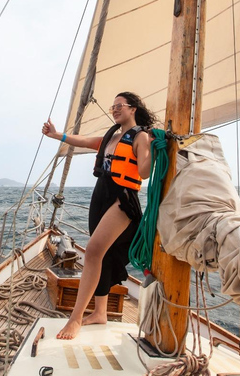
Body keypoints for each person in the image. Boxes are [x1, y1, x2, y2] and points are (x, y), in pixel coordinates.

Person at [42, 92, 157, 339]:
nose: (114, 109)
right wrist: (56, 135)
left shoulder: (141, 137)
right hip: (100, 195)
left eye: (119, 106)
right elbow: (82, 141)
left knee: (93, 251)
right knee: (101, 256)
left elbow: (145, 172)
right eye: (112, 106)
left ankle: (75, 318)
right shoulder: (112, 137)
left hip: (121, 199)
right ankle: (100, 312)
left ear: (133, 108)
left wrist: (154, 149)